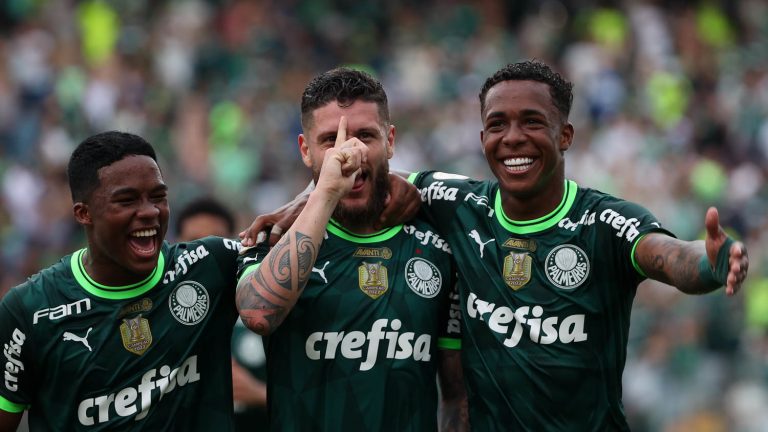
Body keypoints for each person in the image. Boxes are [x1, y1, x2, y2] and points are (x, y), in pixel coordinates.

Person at [241, 60, 749, 430]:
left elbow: (668, 256)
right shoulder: (458, 203)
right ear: (481, 135)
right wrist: (306, 201)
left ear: (565, 134)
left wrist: (708, 263)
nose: (513, 139)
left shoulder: (602, 219)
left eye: (532, 122)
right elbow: (364, 176)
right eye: (497, 125)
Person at [235, 67, 467, 431]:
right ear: (305, 150)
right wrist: (324, 193)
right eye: (331, 140)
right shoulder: (274, 237)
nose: (350, 152)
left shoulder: (436, 245)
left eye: (365, 136)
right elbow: (258, 314)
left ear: (390, 140)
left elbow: (457, 395)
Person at [0, 131, 247, 431]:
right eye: (127, 200)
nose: (150, 212)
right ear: (83, 214)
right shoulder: (29, 310)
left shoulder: (210, 264)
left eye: (158, 196)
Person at [174, 197, 268, 432]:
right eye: (194, 242)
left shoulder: (265, 309)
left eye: (215, 240)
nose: (204, 253)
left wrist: (258, 394)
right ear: (176, 246)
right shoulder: (165, 322)